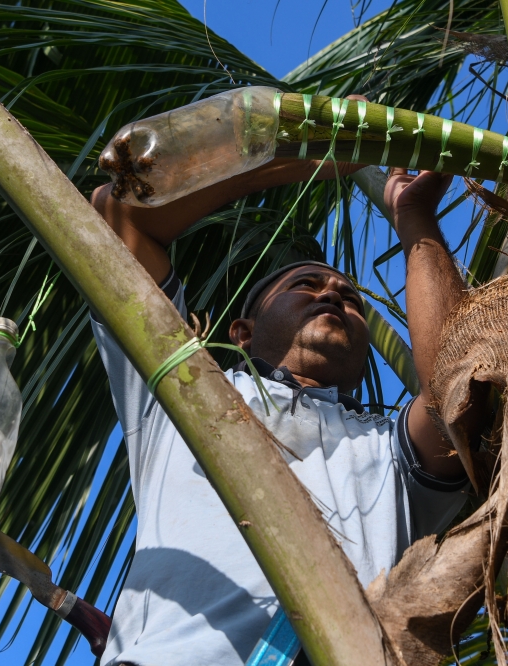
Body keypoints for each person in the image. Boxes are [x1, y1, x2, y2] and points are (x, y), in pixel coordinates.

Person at [89, 127, 472, 665]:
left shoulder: (388, 452)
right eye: (306, 285)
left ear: (364, 364)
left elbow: (453, 391)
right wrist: (324, 151)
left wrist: (415, 219)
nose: (333, 295)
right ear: (243, 333)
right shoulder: (181, 392)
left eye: (350, 298)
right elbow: (121, 215)